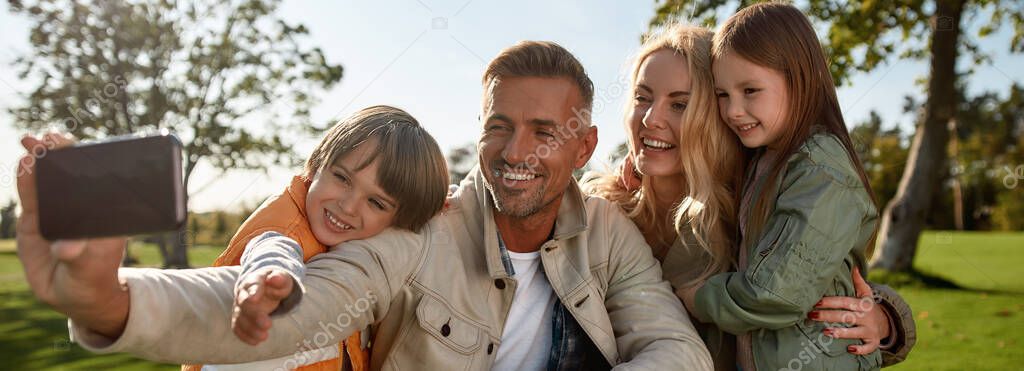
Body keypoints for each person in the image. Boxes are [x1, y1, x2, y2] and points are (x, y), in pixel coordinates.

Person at [15, 40, 714, 370]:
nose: (513, 150)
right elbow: (305, 306)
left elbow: (677, 347)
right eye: (498, 126)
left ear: (585, 142)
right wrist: (107, 302)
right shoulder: (423, 231)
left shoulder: (606, 233)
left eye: (542, 130)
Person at [585, 21, 914, 371]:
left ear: (716, 116)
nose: (651, 118)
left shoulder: (749, 204)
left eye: (680, 105)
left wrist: (886, 318)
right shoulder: (597, 209)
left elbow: (808, 276)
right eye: (642, 97)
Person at [186, 105, 449, 371]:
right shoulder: (285, 227)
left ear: (397, 220)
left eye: (375, 203)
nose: (348, 206)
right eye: (342, 178)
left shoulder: (355, 250)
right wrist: (272, 272)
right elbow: (271, 245)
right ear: (316, 165)